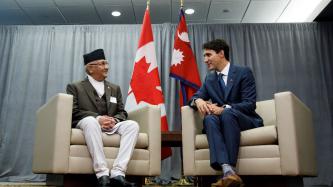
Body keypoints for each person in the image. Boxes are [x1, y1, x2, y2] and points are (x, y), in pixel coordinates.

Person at [189, 39, 263, 187]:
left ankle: (229, 172)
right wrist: (198, 101)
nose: (205, 60)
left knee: (227, 113)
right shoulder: (210, 79)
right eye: (204, 56)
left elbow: (250, 104)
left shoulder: (243, 72)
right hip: (222, 120)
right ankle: (228, 171)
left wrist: (225, 109)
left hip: (244, 119)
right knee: (209, 119)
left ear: (221, 53)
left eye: (208, 55)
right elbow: (195, 96)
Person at [66, 49, 139, 187]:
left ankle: (118, 173)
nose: (107, 67)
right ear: (90, 68)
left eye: (107, 63)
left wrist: (114, 120)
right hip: (87, 123)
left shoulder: (115, 88)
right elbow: (73, 111)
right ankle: (102, 174)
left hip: (111, 125)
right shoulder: (75, 87)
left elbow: (122, 112)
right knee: (90, 121)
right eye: (102, 63)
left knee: (132, 125)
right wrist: (98, 118)